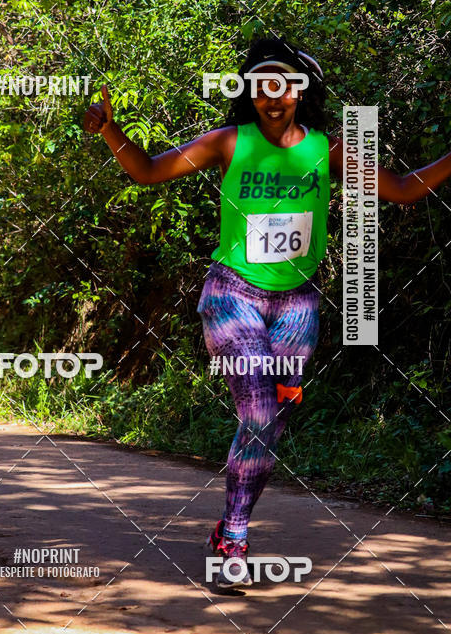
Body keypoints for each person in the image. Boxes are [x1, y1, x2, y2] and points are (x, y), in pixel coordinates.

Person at [82, 36, 451, 590]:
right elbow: (149, 171)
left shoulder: (326, 150)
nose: (271, 98)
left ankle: (229, 524)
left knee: (269, 424)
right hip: (233, 293)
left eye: (282, 86)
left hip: (297, 303)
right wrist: (111, 131)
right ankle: (233, 539)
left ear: (301, 91)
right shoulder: (229, 142)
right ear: (249, 94)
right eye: (260, 88)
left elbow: (400, 189)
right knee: (256, 412)